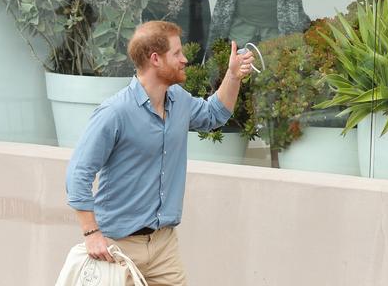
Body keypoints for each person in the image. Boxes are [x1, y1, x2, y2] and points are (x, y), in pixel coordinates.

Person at [65, 21, 254, 285]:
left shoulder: (179, 100)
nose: (184, 59)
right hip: (118, 246)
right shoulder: (114, 113)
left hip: (164, 245)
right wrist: (91, 233)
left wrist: (233, 76)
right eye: (176, 53)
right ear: (155, 59)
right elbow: (78, 174)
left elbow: (214, 115)